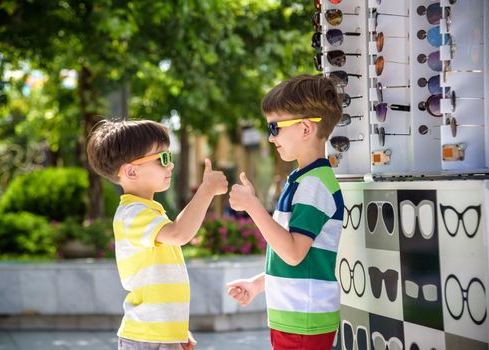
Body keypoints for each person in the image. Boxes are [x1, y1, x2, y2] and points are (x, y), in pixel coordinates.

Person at [86, 119, 228, 350]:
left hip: (157, 335)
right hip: (146, 337)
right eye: (162, 158)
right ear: (131, 171)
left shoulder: (149, 210)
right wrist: (207, 191)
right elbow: (180, 233)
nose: (170, 165)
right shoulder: (133, 214)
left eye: (169, 157)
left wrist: (175, 331)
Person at [227, 74, 344, 350]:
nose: (270, 137)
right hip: (296, 319)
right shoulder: (303, 180)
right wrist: (257, 285)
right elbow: (301, 261)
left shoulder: (314, 184)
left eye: (275, 127)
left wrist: (253, 206)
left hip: (303, 322)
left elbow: (293, 253)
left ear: (305, 128)